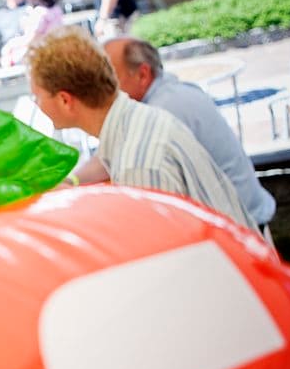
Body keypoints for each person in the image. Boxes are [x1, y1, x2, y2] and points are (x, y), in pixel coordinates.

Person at [25, 27, 258, 231]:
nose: (36, 104)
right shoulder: (136, 121)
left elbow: (166, 258)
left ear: (65, 100)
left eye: (37, 96)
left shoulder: (139, 165)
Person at [100, 37, 276, 228]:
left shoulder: (162, 110)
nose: (102, 89)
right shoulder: (173, 92)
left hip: (243, 227)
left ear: (143, 74)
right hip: (245, 218)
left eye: (109, 79)